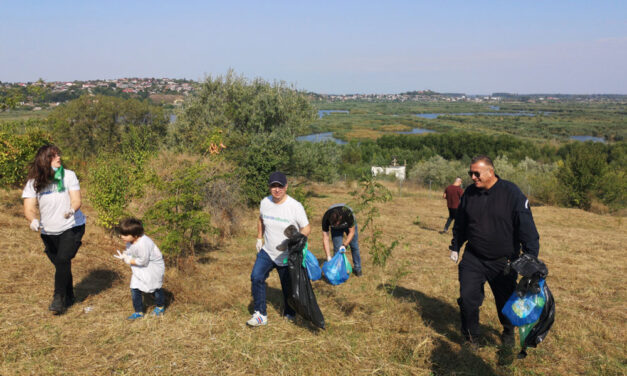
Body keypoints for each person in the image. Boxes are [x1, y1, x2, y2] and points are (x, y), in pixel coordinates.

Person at [449, 155, 540, 348]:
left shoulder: (511, 193)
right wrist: (456, 245)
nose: (473, 177)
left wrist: (531, 260)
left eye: (477, 173)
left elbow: (528, 230)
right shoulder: (469, 194)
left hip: (504, 262)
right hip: (473, 257)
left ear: (490, 172)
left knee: (506, 304)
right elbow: (461, 224)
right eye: (470, 173)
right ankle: (472, 338)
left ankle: (508, 332)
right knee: (467, 299)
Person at [22, 145, 86, 314]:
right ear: (44, 160)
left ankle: (58, 298)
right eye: (53, 156)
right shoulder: (33, 182)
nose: (59, 158)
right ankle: (70, 296)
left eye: (59, 154)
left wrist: (72, 210)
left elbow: (76, 199)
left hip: (72, 226)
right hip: (48, 231)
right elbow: (28, 208)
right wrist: (33, 220)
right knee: (61, 264)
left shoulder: (68, 175)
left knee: (63, 259)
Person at [248, 171, 311, 327]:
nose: (277, 189)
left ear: (286, 187)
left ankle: (290, 313)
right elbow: (261, 219)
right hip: (268, 252)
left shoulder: (295, 206)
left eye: (280, 186)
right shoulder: (265, 203)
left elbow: (307, 228)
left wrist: (295, 243)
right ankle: (260, 314)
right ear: (269, 187)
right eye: (273, 186)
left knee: (288, 286)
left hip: (286, 255)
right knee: (256, 277)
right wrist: (259, 237)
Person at [114, 218, 166, 320]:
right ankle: (139, 312)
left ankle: (160, 307)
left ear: (135, 235)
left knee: (155, 287)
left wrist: (128, 261)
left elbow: (143, 261)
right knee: (134, 287)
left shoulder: (144, 243)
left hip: (152, 268)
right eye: (121, 234)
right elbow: (130, 250)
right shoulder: (130, 240)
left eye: (125, 235)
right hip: (140, 268)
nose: (121, 237)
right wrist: (125, 255)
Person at [321, 204, 362, 276]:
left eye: (336, 224)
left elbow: (352, 232)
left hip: (348, 225)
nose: (336, 225)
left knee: (354, 246)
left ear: (340, 217)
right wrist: (328, 257)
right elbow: (325, 237)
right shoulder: (326, 218)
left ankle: (357, 268)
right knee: (337, 249)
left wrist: (344, 245)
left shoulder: (348, 214)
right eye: (333, 225)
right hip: (336, 230)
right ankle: (338, 271)